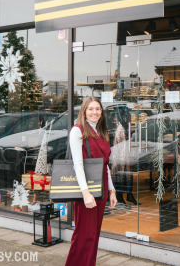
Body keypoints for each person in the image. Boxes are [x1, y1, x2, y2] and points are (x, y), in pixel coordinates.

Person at [65, 97, 117, 266]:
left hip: (100, 187)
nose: (95, 112)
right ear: (84, 111)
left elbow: (105, 165)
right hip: (86, 189)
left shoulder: (101, 132)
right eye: (91, 109)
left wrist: (112, 190)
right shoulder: (77, 131)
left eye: (98, 109)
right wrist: (85, 193)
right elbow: (77, 164)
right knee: (84, 234)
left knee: (94, 233)